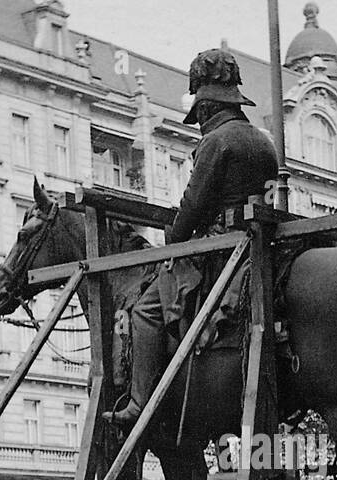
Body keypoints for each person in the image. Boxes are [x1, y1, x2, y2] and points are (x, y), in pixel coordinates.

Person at [104, 47, 279, 426]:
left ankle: (138, 402)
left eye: (198, 114)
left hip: (224, 251)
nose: (198, 121)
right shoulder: (264, 141)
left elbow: (192, 208)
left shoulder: (216, 142)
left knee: (145, 310)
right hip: (263, 246)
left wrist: (174, 236)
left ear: (204, 108)